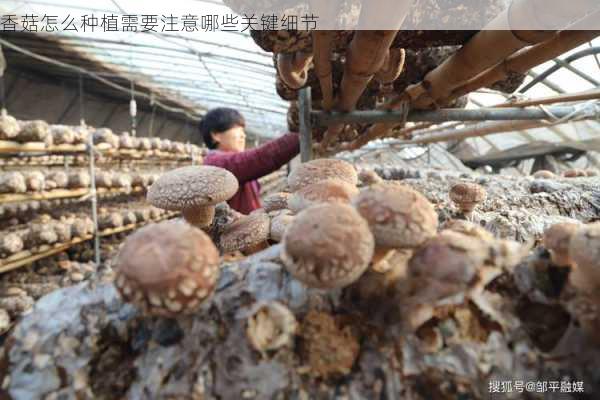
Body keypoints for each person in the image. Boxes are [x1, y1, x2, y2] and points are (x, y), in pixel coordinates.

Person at [199, 107, 300, 215]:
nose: (243, 135)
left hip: (247, 226)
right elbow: (260, 158)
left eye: (244, 131)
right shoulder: (215, 163)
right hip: (234, 230)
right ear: (216, 135)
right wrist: (300, 137)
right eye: (239, 130)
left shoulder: (232, 162)